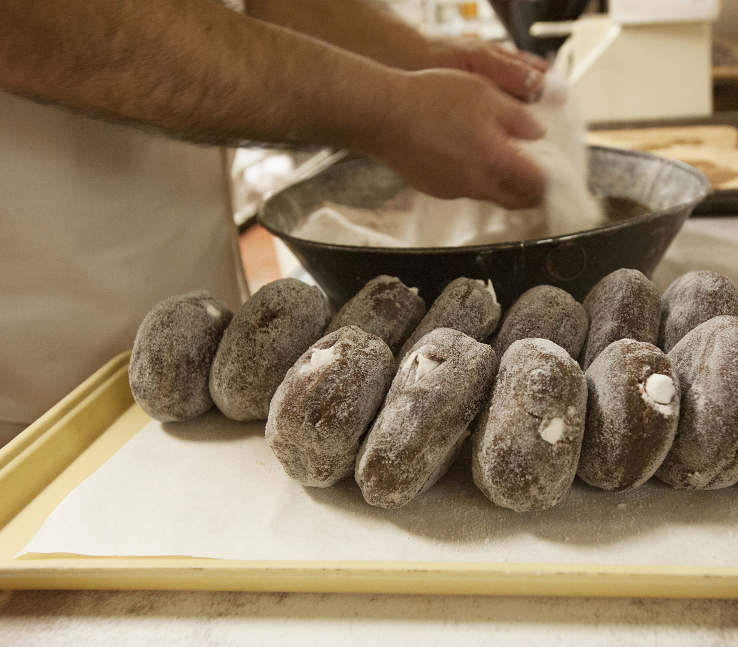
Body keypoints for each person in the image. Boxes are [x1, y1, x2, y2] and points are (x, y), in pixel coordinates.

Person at [0, 0, 550, 445]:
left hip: (188, 343)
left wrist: (417, 58)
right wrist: (386, 109)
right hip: (29, 378)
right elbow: (47, 21)